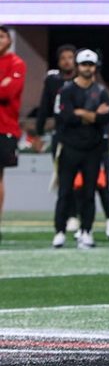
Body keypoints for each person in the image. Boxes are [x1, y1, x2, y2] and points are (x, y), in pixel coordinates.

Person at [52, 49, 109, 250]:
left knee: (89, 193)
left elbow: (106, 118)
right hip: (70, 147)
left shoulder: (101, 91)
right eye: (84, 64)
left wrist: (82, 114)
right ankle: (60, 231)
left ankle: (86, 231)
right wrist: (93, 115)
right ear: (78, 66)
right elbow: (65, 116)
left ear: (95, 67)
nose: (87, 68)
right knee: (64, 191)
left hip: (92, 149)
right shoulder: (67, 90)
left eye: (90, 64)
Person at [0, 26, 24, 242]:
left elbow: (7, 92)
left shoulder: (17, 63)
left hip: (4, 128)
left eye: (1, 36)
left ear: (9, 40)